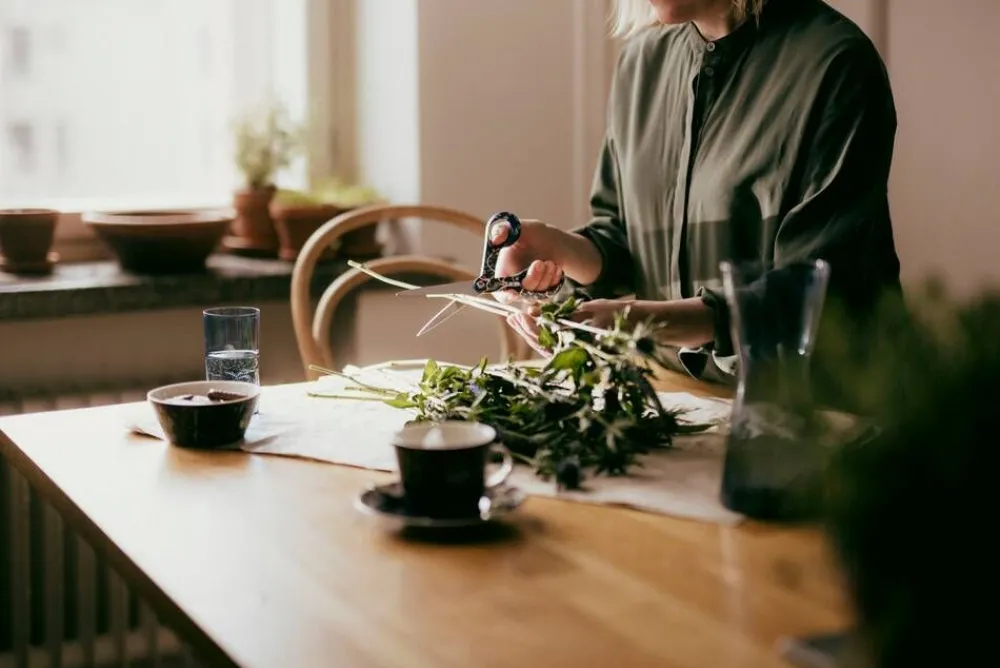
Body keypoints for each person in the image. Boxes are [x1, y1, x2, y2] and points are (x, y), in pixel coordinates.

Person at [494, 0, 902, 385]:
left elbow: (820, 296)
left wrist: (641, 321)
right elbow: (628, 242)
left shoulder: (835, 64)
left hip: (813, 407)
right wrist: (556, 247)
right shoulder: (641, 62)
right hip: (675, 395)